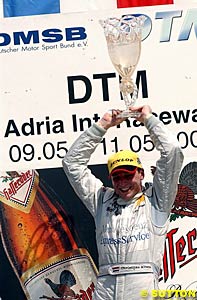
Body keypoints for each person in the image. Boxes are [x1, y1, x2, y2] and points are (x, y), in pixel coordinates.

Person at [62, 105, 184, 300]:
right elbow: (72, 163)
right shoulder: (101, 199)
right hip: (105, 286)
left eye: (128, 175)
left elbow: (172, 153)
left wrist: (149, 120)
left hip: (141, 287)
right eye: (117, 177)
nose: (123, 182)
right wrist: (102, 125)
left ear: (141, 174)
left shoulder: (158, 200)